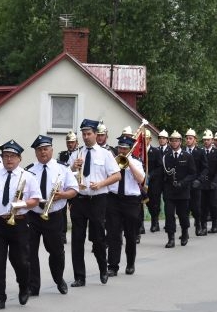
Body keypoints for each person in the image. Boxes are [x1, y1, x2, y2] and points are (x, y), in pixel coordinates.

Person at [0, 140, 42, 310]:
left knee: (21, 261)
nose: (9, 160)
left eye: (13, 156)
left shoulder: (28, 177)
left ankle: (23, 286)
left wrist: (20, 205)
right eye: (6, 156)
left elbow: (36, 200)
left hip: (18, 223)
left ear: (19, 158)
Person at [68, 119, 121, 286]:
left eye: (88, 134)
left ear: (96, 134)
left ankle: (103, 269)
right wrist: (72, 168)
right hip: (79, 199)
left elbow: (117, 175)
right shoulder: (76, 153)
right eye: (83, 134)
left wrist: (101, 184)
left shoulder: (105, 154)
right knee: (77, 238)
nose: (86, 137)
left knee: (98, 238)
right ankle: (79, 276)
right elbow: (66, 176)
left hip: (98, 199)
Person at [26, 135, 77, 295]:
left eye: (45, 149)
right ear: (35, 152)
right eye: (39, 150)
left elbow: (74, 190)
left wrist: (62, 195)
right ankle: (33, 286)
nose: (43, 152)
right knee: (30, 252)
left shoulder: (62, 168)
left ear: (52, 150)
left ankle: (58, 278)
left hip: (54, 215)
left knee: (56, 252)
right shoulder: (29, 170)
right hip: (33, 215)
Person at [106, 135, 145, 275]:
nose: (121, 150)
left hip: (131, 201)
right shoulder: (112, 161)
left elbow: (141, 179)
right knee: (114, 234)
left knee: (130, 234)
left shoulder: (137, 162)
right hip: (114, 199)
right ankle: (112, 266)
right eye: (120, 148)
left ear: (130, 150)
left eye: (124, 148)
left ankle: (130, 263)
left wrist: (129, 164)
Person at [161, 131, 197, 248]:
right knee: (169, 215)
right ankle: (171, 238)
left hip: (183, 190)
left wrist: (183, 183)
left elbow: (192, 174)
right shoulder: (166, 156)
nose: (174, 142)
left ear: (180, 142)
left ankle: (185, 233)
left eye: (176, 140)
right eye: (172, 140)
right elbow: (164, 173)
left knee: (183, 215)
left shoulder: (187, 156)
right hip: (169, 191)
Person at [199, 130, 217, 234]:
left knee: (214, 205)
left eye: (208, 140)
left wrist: (215, 181)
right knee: (202, 205)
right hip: (202, 183)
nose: (206, 141)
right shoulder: (200, 152)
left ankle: (214, 225)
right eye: (204, 140)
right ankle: (203, 226)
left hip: (213, 183)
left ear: (212, 140)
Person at [184, 129, 208, 236]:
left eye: (190, 138)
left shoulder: (200, 151)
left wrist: (199, 180)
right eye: (187, 138)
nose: (188, 140)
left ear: (195, 140)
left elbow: (205, 168)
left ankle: (198, 225)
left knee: (196, 207)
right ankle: (185, 230)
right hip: (184, 184)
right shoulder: (182, 151)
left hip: (196, 184)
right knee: (184, 208)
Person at [146, 130, 168, 233]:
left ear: (150, 139)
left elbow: (159, 167)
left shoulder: (155, 151)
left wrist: (151, 175)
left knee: (155, 202)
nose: (145, 140)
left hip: (154, 181)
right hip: (142, 181)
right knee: (146, 202)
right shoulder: (139, 151)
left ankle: (155, 222)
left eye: (146, 138)